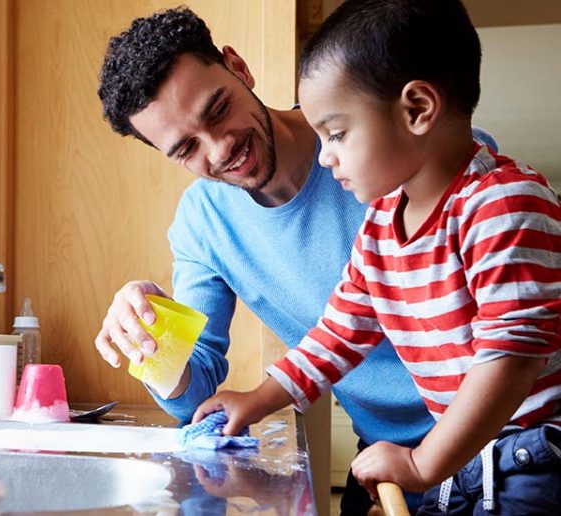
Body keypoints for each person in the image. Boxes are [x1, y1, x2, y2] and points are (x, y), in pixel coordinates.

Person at [95, 6, 497, 513]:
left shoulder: (395, 150)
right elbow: (201, 384)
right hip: (387, 464)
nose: (219, 150)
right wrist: (150, 339)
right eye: (185, 149)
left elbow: (508, 337)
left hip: (503, 443)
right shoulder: (204, 222)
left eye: (218, 110)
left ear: (239, 68)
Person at [193, 0, 561, 514]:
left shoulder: (503, 205)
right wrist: (258, 399)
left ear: (417, 109)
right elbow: (338, 334)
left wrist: (421, 465)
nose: (325, 156)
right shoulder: (382, 223)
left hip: (532, 461)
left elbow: (510, 362)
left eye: (337, 134)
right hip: (465, 463)